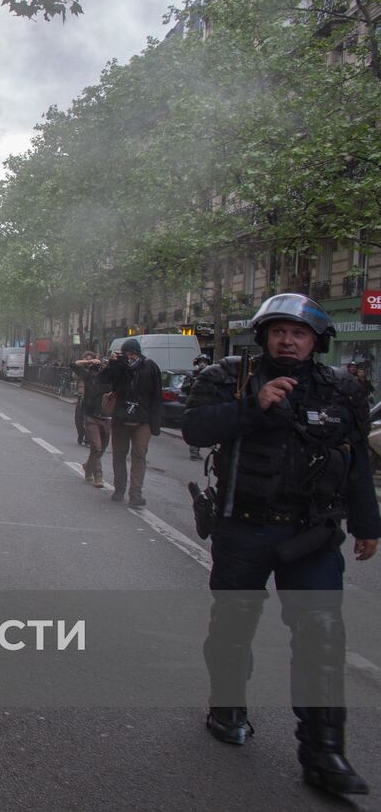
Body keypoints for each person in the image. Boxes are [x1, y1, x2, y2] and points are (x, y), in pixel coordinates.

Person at [183, 293, 378, 796]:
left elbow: (356, 461)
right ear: (264, 336)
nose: (288, 342)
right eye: (279, 332)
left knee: (322, 635)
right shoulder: (230, 376)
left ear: (316, 340)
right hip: (243, 528)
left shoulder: (341, 390)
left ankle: (324, 749)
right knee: (233, 625)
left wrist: (368, 524)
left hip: (312, 533)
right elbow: (195, 428)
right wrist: (253, 406)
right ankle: (227, 706)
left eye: (299, 334)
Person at [102, 338, 163, 507]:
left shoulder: (150, 367)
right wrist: (113, 365)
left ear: (138, 352)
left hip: (142, 420)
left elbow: (157, 396)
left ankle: (136, 493)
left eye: (132, 352)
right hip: (121, 418)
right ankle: (119, 489)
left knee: (139, 456)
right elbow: (103, 383)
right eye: (126, 353)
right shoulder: (119, 367)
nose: (129, 356)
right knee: (119, 455)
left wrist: (155, 424)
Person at [73, 351, 111, 487]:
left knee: (101, 449)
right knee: (96, 447)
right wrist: (89, 362)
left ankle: (87, 467)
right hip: (91, 416)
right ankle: (98, 475)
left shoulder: (109, 378)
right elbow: (75, 364)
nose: (96, 371)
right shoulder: (88, 377)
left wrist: (106, 363)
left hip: (106, 417)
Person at [187, 353, 211, 461]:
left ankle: (197, 447)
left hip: (205, 405)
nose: (202, 364)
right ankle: (194, 450)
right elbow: (184, 388)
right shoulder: (191, 375)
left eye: (205, 362)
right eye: (200, 362)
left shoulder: (211, 375)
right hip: (194, 405)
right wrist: (191, 384)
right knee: (194, 427)